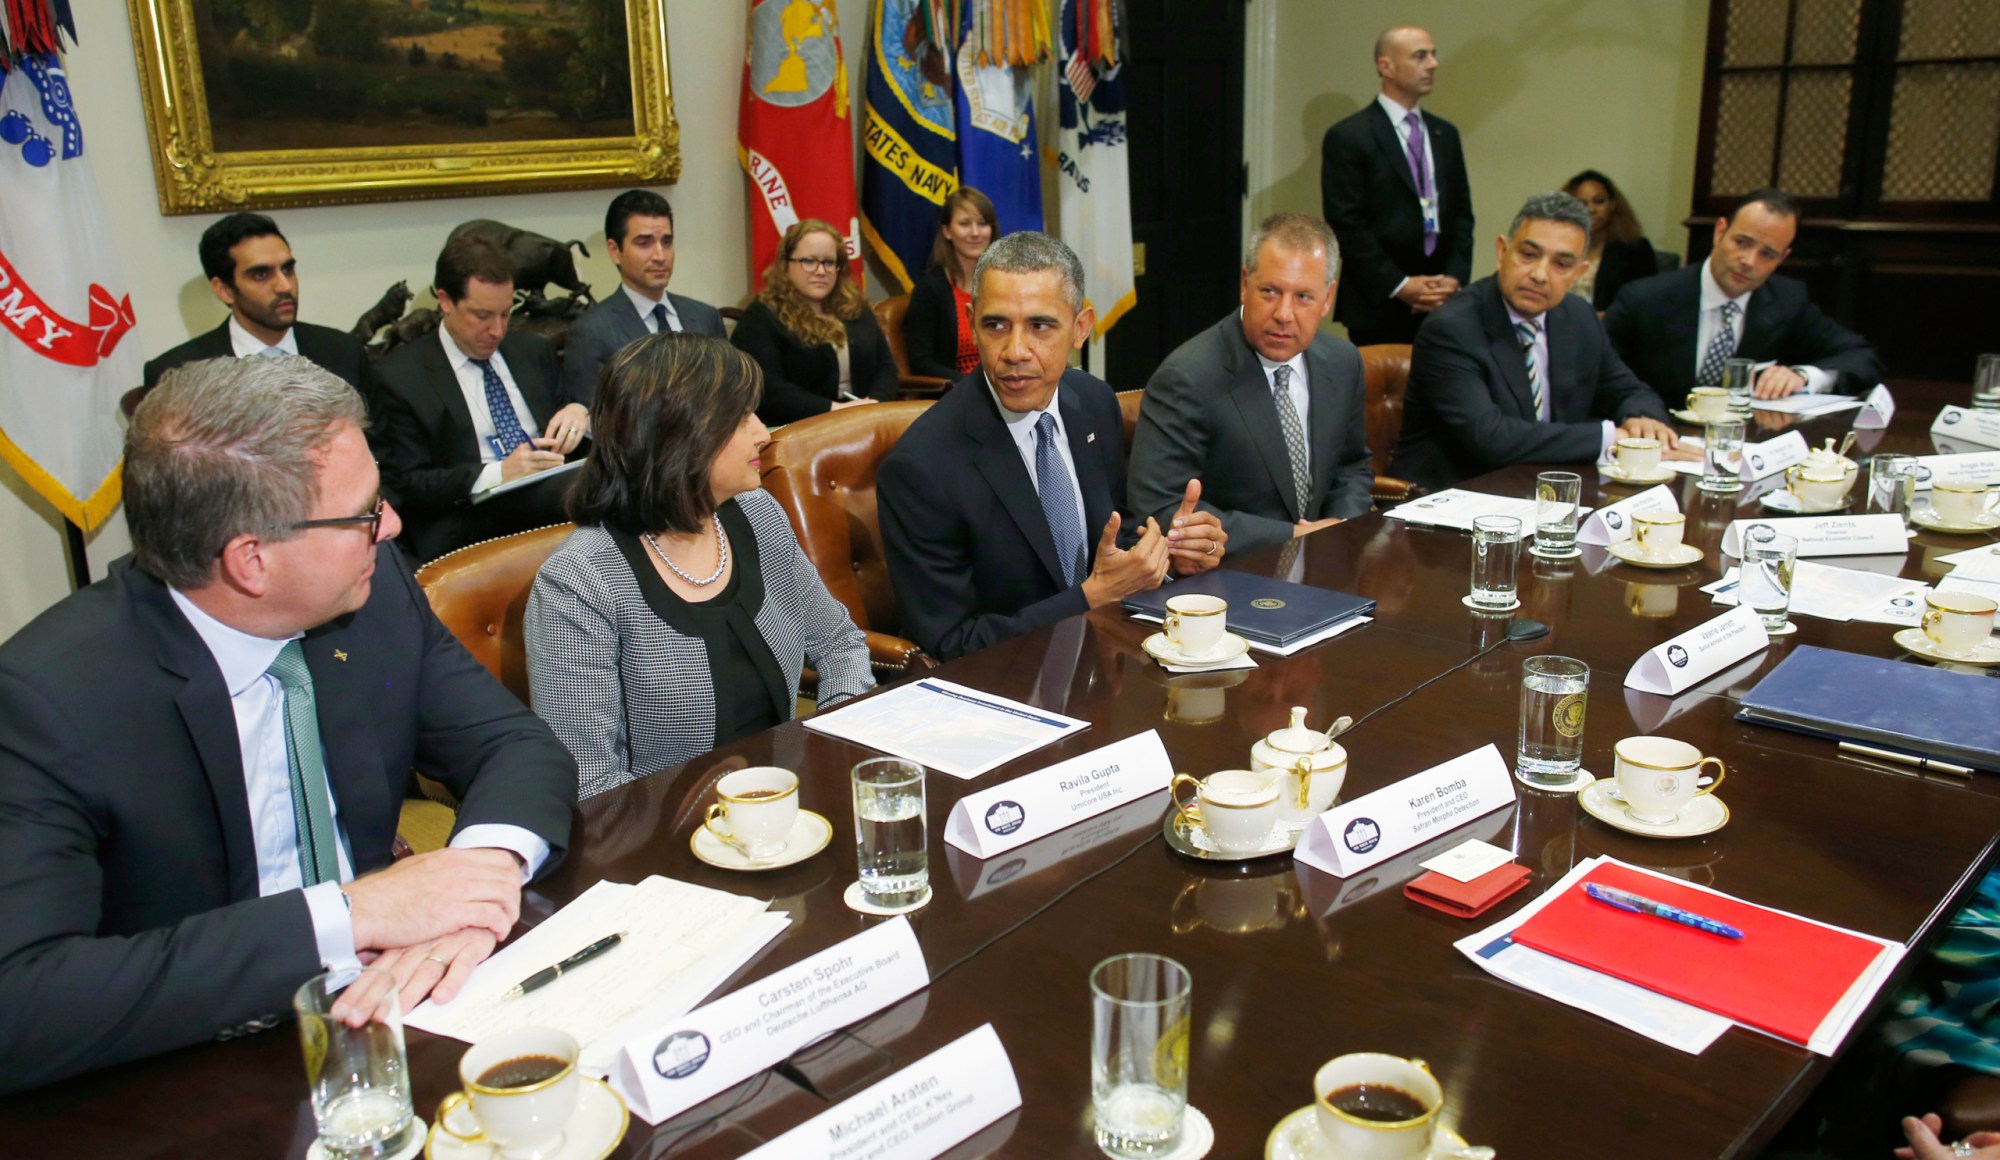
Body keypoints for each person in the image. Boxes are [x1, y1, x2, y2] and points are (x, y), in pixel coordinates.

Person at [0, 356, 577, 1095]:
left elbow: (513, 744)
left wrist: (479, 876)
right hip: (190, 1067)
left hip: (400, 1010)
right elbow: (22, 1000)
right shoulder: (46, 700)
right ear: (251, 560)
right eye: (367, 512)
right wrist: (348, 913)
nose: (393, 525)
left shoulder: (374, 593)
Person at [525, 335, 873, 799]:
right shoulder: (580, 583)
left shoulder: (757, 515)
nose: (763, 434)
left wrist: (827, 750)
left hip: (783, 807)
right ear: (676, 435)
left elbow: (840, 645)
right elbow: (592, 785)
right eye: (741, 418)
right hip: (663, 843)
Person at [878, 232, 1227, 662]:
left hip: (1108, 661)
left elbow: (1113, 538)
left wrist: (1173, 555)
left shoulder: (1094, 403)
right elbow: (951, 644)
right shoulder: (921, 467)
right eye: (996, 325)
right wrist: (1090, 596)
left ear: (1081, 328)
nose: (1015, 351)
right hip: (1006, 684)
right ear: (971, 322)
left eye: (1040, 326)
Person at [1389, 192, 1682, 491]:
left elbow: (1627, 389)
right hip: (1450, 500)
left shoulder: (1578, 317)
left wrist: (1643, 419)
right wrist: (1609, 438)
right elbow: (1491, 437)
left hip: (1544, 492)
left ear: (1578, 274)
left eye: (1561, 264)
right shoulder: (1452, 327)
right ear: (1502, 251)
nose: (1540, 274)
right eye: (1528, 255)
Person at [1128, 213, 1376, 557]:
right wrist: (1293, 535)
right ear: (1245, 284)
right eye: (1270, 292)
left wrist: (1340, 525)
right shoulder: (1187, 377)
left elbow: (1351, 467)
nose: (1284, 314)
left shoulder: (1342, 362)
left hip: (1325, 566)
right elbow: (1161, 507)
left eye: (1303, 297)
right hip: (1230, 574)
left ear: (1328, 298)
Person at [373, 234, 592, 561]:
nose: (497, 330)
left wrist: (580, 415)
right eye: (482, 316)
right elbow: (409, 484)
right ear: (445, 301)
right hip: (468, 516)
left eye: (506, 313)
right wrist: (502, 472)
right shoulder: (400, 377)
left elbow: (568, 432)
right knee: (588, 489)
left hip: (552, 495)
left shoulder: (532, 352)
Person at [1605, 188, 1883, 409]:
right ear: (1719, 232)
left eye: (1767, 254)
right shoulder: (1644, 298)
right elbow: (1597, 374)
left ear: (1782, 258)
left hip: (1743, 451)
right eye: (1742, 243)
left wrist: (1803, 376)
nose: (1749, 261)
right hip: (1657, 442)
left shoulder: (1787, 300)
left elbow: (1862, 357)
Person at [1321, 26, 1474, 347]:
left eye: (1433, 54)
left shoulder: (1444, 133)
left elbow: (1461, 213)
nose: (1433, 64)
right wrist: (1400, 285)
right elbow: (1346, 223)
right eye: (1420, 56)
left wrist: (1455, 278)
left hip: (1443, 300)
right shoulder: (1350, 136)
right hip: (1380, 303)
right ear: (1385, 66)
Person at [142, 213, 377, 412]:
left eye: (287, 269)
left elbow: (381, 451)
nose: (284, 286)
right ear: (224, 290)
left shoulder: (343, 351)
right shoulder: (177, 375)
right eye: (261, 275)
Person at [559, 190, 726, 406]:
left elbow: (731, 396)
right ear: (615, 251)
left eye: (666, 242)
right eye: (644, 243)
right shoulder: (592, 331)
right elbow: (597, 421)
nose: (660, 256)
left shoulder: (705, 316)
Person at [730, 219, 899, 424]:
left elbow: (886, 366)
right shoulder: (762, 315)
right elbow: (766, 387)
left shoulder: (855, 307)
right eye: (809, 261)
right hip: (797, 429)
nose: (820, 271)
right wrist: (833, 409)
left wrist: (874, 404)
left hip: (864, 422)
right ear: (787, 264)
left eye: (829, 262)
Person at [903, 186, 998, 379]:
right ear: (947, 231)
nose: (975, 233)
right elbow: (921, 362)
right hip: (958, 394)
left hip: (1009, 386)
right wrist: (975, 383)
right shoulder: (930, 289)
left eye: (982, 223)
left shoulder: (1005, 283)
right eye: (965, 224)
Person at [1561, 169, 1660, 311]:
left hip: (1611, 328)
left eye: (1599, 201)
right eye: (1581, 203)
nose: (1591, 209)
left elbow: (1648, 302)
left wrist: (1609, 316)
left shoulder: (1635, 249)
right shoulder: (1556, 247)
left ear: (1612, 205)